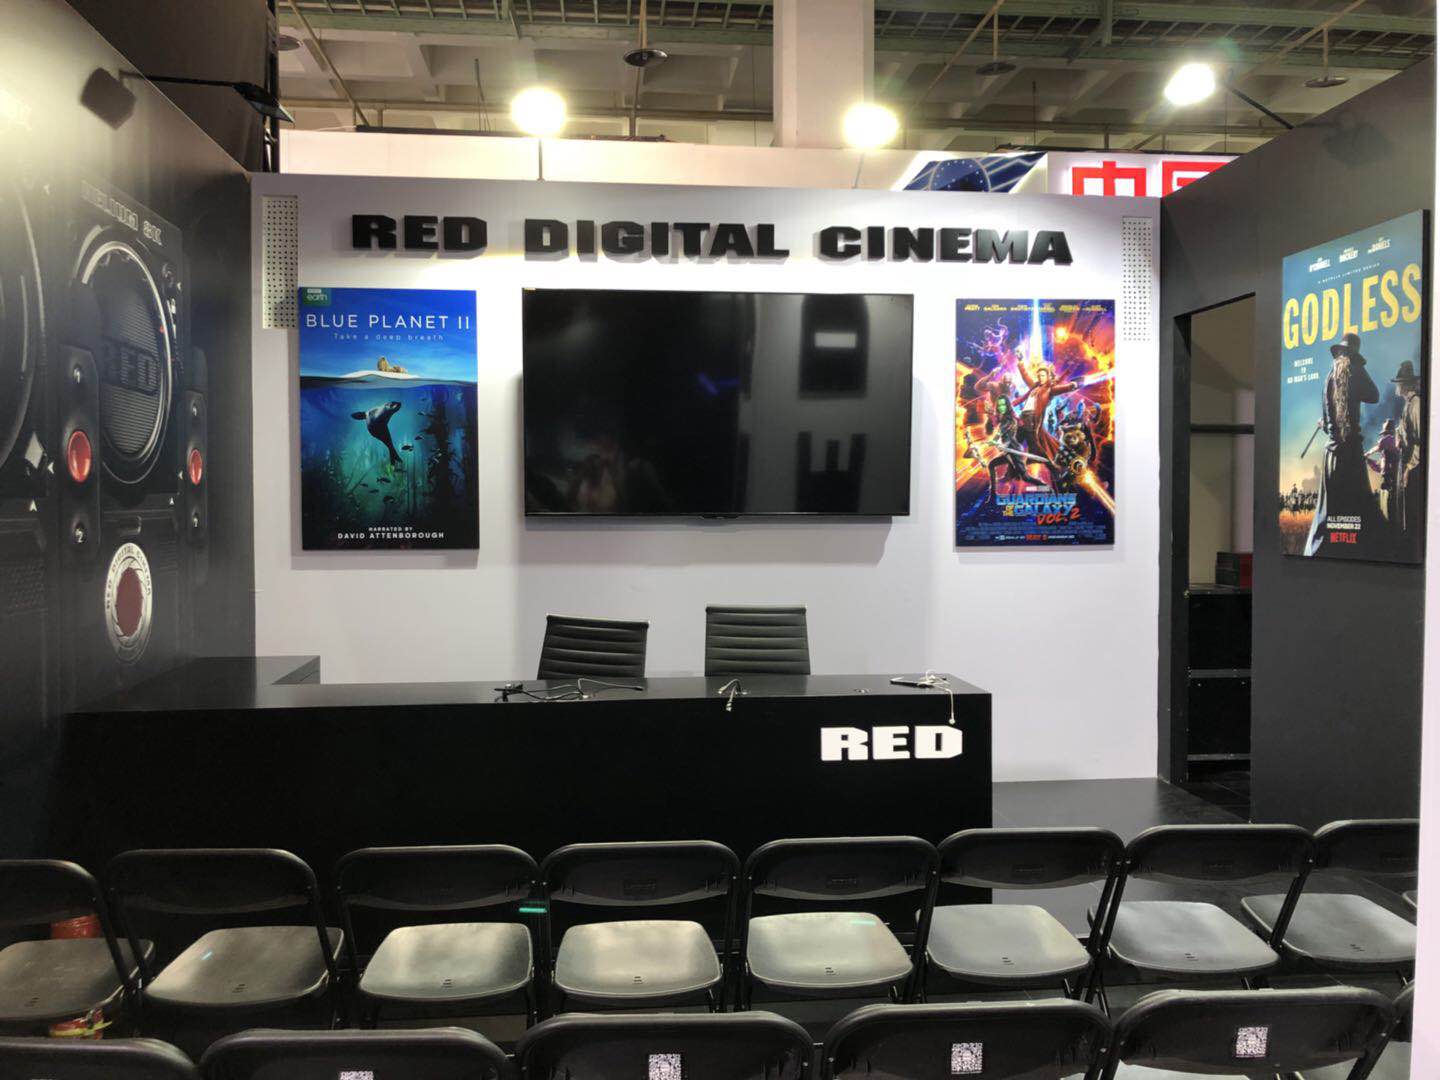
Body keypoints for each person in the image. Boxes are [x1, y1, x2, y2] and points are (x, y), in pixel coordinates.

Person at [1304, 332, 1380, 556]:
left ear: (1339, 354)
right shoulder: (1356, 372)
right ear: (1354, 356)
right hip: (1351, 455)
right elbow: (1374, 395)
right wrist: (1359, 365)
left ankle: (1316, 557)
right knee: (1357, 515)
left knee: (1327, 517)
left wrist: (1324, 423)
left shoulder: (1328, 378)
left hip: (1331, 456)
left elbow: (1329, 425)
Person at [1393, 359, 1425, 552]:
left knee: (1412, 513)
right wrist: (1398, 434)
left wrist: (1409, 468)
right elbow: (1405, 432)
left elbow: (1421, 442)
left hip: (1413, 468)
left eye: (1398, 383)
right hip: (1406, 465)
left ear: (1405, 385)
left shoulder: (1416, 405)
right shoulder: (1408, 405)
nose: (1396, 387)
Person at [1365, 418, 1400, 527]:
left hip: (1393, 478)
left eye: (1385, 433)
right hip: (1389, 479)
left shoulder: (1390, 439)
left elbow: (1379, 446)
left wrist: (1367, 454)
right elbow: (1379, 468)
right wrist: (1368, 460)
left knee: (1392, 502)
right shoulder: (1385, 456)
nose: (1383, 436)